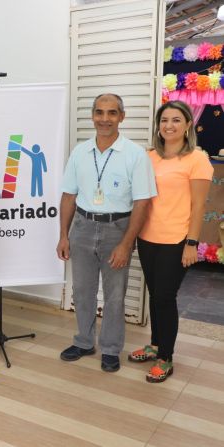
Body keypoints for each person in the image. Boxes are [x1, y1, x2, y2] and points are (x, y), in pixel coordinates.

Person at [56, 93, 156, 373]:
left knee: (114, 295)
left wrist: (126, 243)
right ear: (93, 116)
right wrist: (64, 235)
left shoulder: (135, 155)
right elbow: (67, 196)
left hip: (118, 228)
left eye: (112, 113)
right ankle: (84, 341)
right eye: (99, 112)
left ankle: (111, 348)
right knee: (82, 290)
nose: (105, 119)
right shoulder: (80, 152)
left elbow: (142, 202)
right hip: (83, 227)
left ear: (121, 117)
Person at [129, 101, 213, 383]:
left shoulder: (197, 159)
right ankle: (154, 344)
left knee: (165, 297)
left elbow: (199, 206)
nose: (169, 125)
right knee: (155, 295)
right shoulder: (149, 156)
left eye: (176, 120)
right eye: (164, 120)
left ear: (188, 124)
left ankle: (166, 357)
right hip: (147, 237)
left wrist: (192, 243)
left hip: (177, 240)